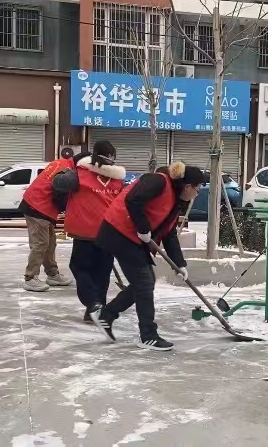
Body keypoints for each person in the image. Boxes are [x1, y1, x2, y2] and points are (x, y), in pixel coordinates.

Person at [91, 162, 204, 351]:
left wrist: (179, 263)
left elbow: (169, 234)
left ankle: (106, 315)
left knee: (145, 282)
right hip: (118, 232)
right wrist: (143, 229)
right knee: (144, 282)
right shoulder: (158, 181)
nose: (196, 194)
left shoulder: (176, 202)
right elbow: (133, 200)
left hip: (131, 237)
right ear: (187, 186)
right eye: (197, 189)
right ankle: (148, 335)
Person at [52, 141, 125, 322]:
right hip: (109, 233)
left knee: (80, 268)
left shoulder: (79, 175)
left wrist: (68, 169)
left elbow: (57, 183)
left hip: (85, 232)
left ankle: (93, 304)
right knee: (102, 272)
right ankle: (95, 312)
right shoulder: (118, 179)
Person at [19, 153, 89, 292]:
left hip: (39, 205)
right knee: (40, 243)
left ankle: (52, 274)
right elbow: (60, 195)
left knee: (50, 243)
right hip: (38, 206)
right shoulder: (68, 172)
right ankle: (30, 277)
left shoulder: (61, 162)